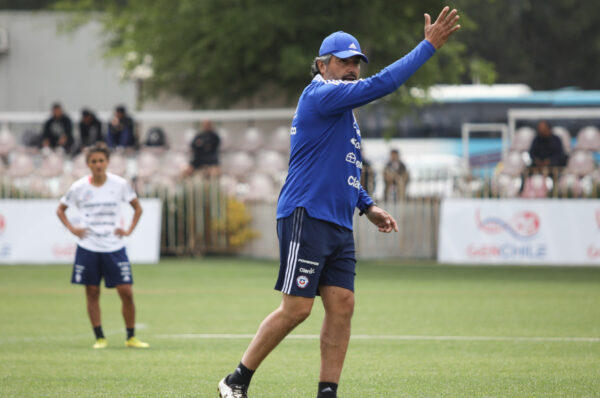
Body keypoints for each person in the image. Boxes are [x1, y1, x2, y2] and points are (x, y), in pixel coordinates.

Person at [217, 7, 460, 398]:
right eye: (344, 61)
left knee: (342, 305)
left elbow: (342, 168)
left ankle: (327, 392)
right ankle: (236, 380)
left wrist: (367, 205)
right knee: (297, 309)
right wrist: (427, 47)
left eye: (356, 63)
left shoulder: (343, 112)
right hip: (306, 213)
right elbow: (382, 84)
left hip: (337, 220)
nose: (352, 68)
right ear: (322, 64)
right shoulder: (322, 93)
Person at [56, 143, 149, 349]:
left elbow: (137, 208)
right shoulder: (79, 187)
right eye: (94, 161)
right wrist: (73, 229)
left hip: (114, 247)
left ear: (107, 162)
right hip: (88, 246)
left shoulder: (120, 184)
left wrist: (128, 230)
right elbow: (60, 209)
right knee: (92, 292)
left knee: (126, 292)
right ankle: (100, 337)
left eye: (101, 160)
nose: (98, 164)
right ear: (88, 164)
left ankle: (131, 337)